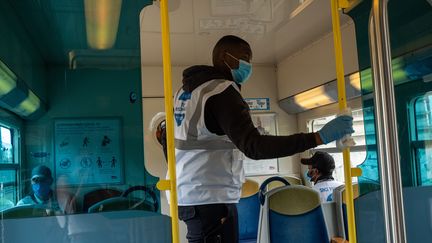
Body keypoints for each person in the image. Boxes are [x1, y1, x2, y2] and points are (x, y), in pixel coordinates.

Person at [173, 35, 354, 243]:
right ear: (225, 56)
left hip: (192, 196)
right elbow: (254, 146)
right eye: (244, 58)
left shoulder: (185, 92)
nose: (248, 66)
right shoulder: (221, 91)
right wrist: (317, 137)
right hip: (211, 198)